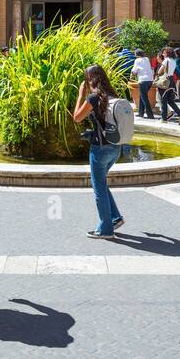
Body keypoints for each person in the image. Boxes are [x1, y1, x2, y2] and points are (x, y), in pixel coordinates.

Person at [72, 64, 125, 238]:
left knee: (99, 188)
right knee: (102, 183)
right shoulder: (112, 95)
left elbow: (77, 118)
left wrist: (80, 95)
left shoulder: (94, 98)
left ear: (91, 79)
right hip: (115, 148)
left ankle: (105, 229)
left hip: (100, 149)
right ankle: (115, 217)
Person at [156, 47, 180, 124]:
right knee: (170, 100)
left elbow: (159, 71)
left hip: (165, 81)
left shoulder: (166, 60)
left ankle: (164, 119)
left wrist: (158, 74)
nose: (163, 54)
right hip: (171, 81)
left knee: (163, 100)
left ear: (167, 53)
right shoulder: (173, 61)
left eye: (164, 53)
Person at [131, 49, 154, 119]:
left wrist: (132, 73)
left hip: (143, 80)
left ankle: (150, 115)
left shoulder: (137, 60)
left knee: (144, 98)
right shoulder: (147, 59)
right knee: (142, 96)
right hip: (150, 80)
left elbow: (134, 71)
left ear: (136, 54)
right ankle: (141, 113)